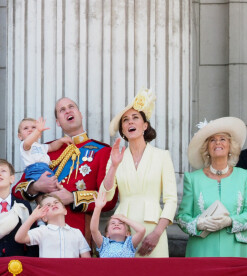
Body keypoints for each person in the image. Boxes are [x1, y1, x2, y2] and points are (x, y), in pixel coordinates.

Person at [13, 97, 116, 239]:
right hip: (44, 233)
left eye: (71, 107)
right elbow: (17, 190)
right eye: (62, 110)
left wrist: (73, 197)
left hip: (80, 232)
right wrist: (36, 186)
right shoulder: (45, 149)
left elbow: (109, 200)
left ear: (80, 114)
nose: (67, 110)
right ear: (58, 122)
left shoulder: (102, 151)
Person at [102, 88, 177, 257]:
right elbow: (106, 196)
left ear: (145, 125)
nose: (130, 123)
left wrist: (157, 233)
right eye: (125, 120)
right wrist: (114, 166)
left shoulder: (162, 156)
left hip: (153, 227)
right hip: (122, 231)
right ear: (122, 129)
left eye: (135, 118)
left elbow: (171, 200)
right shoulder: (116, 158)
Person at [175, 117, 247, 257]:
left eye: (223, 139)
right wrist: (199, 224)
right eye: (212, 140)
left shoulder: (245, 176)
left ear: (231, 146)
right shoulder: (193, 179)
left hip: (236, 251)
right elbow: (182, 218)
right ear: (207, 148)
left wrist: (230, 221)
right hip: (202, 251)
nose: (217, 143)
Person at [15, 194, 91, 258]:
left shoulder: (76, 233)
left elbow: (87, 260)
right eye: (48, 205)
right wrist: (32, 217)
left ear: (65, 211)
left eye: (56, 202)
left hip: (71, 274)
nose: (53, 204)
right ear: (44, 217)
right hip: (48, 275)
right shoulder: (42, 231)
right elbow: (19, 238)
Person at [90, 190, 146, 258]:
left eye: (121, 223)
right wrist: (98, 208)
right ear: (107, 234)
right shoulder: (104, 244)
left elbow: (142, 230)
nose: (116, 225)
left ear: (127, 233)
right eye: (113, 223)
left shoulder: (129, 244)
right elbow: (93, 230)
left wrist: (125, 219)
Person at [0, 159, 36, 257]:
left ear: (12, 179)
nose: (0, 174)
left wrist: (27, 263)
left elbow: (32, 238)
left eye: (3, 171)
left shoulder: (23, 206)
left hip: (18, 266)